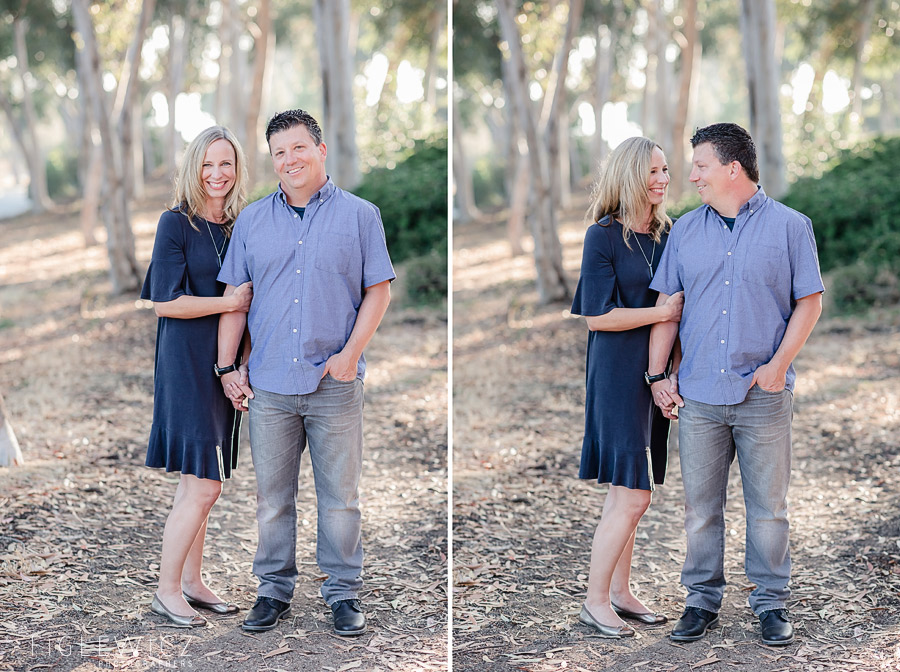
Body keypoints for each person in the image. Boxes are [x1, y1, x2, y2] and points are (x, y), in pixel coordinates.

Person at [216, 109, 395, 636]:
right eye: (278, 153)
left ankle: (342, 593)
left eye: (297, 148)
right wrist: (228, 368)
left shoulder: (361, 215)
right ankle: (272, 591)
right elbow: (236, 301)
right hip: (269, 384)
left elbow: (378, 290)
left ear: (319, 150)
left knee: (341, 498)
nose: (289, 160)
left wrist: (349, 355)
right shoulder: (251, 220)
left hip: (334, 384)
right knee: (273, 498)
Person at [648, 123, 824, 646]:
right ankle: (700, 601)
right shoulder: (684, 231)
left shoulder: (792, 227)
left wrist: (778, 365)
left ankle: (771, 603)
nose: (691, 175)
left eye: (700, 165)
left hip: (763, 395)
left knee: (769, 508)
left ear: (733, 168)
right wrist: (659, 376)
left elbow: (809, 302)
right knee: (701, 508)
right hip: (699, 394)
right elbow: (668, 310)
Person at [570, 137, 684, 638]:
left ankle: (620, 591)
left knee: (634, 489)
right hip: (617, 375)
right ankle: (594, 602)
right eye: (654, 172)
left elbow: (684, 311)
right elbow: (597, 317)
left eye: (666, 171)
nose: (663, 180)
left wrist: (671, 373)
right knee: (632, 493)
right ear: (631, 176)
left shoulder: (669, 234)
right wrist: (659, 312)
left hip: (656, 376)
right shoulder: (603, 236)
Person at [141, 126, 253, 627]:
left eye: (225, 163)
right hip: (186, 363)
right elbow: (165, 301)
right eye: (207, 164)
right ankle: (166, 590)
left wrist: (242, 363)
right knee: (203, 485)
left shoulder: (237, 226)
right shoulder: (175, 223)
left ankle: (191, 581)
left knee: (203, 481)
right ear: (193, 167)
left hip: (223, 365)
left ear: (237, 168)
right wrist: (227, 302)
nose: (216, 174)